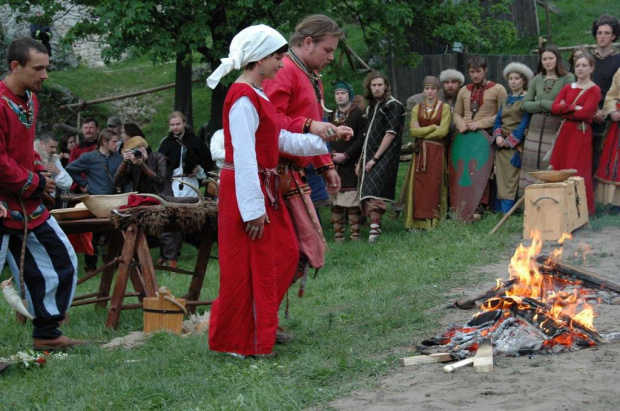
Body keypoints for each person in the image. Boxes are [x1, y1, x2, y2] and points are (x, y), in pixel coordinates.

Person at [205, 24, 332, 358]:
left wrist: (324, 138)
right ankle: (239, 340)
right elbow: (244, 155)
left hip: (264, 187)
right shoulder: (241, 97)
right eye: (276, 56)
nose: (281, 62)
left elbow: (277, 139)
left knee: (286, 254)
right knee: (244, 267)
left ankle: (259, 328)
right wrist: (252, 209)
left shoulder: (257, 94)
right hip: (247, 191)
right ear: (258, 59)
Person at [0, 37, 84, 350]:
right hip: (4, 202)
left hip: (26, 202)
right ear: (15, 66)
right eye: (38, 68)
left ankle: (47, 333)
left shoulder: (30, 100)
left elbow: (21, 150)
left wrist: (39, 169)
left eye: (46, 68)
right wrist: (34, 182)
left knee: (61, 258)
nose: (45, 75)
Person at [263, 14, 353, 290]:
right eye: (327, 50)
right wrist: (312, 126)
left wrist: (325, 165)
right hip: (277, 176)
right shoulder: (286, 71)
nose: (329, 57)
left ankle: (267, 322)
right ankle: (263, 323)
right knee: (291, 251)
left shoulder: (309, 73)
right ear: (308, 43)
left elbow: (310, 120)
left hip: (294, 174)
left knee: (300, 250)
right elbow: (271, 122)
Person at [452, 56, 507, 217]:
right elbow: (456, 112)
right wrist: (461, 123)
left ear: (485, 70)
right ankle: (462, 204)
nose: (475, 75)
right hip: (465, 137)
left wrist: (481, 123)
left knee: (482, 171)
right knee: (463, 169)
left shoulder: (498, 89)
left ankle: (481, 205)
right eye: (472, 72)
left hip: (486, 136)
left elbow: (503, 114)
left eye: (478, 71)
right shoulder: (464, 90)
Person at [66, 129, 129, 270]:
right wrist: (84, 184)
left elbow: (125, 179)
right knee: (93, 235)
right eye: (114, 141)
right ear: (104, 142)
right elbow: (70, 168)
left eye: (117, 141)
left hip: (114, 200)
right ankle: (91, 266)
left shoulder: (118, 158)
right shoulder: (89, 157)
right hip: (96, 201)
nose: (116, 144)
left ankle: (114, 262)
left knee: (116, 232)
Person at [549, 51, 601, 215]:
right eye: (577, 65)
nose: (580, 68)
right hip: (565, 131)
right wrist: (572, 108)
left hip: (580, 132)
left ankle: (580, 210)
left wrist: (565, 108)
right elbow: (554, 107)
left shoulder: (594, 90)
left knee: (578, 168)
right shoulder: (567, 87)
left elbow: (585, 114)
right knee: (559, 165)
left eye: (584, 65)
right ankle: (559, 208)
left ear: (591, 68)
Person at [357, 70, 405, 242]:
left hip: (385, 156)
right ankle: (371, 228)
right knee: (366, 191)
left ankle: (374, 232)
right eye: (374, 85)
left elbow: (390, 134)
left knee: (374, 191)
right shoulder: (371, 107)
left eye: (380, 85)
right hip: (369, 155)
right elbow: (368, 136)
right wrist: (362, 160)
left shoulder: (393, 105)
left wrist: (375, 159)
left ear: (386, 86)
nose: (377, 88)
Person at [521, 46, 575, 191]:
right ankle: (528, 198)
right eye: (544, 59)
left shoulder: (567, 78)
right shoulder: (536, 79)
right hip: (535, 124)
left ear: (557, 59)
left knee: (549, 159)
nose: (547, 62)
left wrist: (538, 103)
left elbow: (566, 106)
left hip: (555, 124)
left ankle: (551, 196)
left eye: (551, 58)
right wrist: (549, 105)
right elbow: (525, 104)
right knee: (532, 161)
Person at [402, 76, 451, 230]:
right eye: (427, 88)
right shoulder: (417, 108)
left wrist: (422, 132)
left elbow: (443, 131)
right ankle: (417, 221)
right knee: (419, 184)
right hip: (420, 152)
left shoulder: (444, 108)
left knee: (434, 182)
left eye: (433, 89)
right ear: (423, 90)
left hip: (436, 150)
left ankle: (434, 221)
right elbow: (413, 131)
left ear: (438, 90)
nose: (430, 92)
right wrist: (431, 128)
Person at [492, 63, 533, 213]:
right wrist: (498, 138)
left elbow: (524, 122)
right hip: (500, 144)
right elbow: (498, 120)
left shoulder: (527, 100)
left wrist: (510, 141)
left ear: (523, 81)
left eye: (517, 78)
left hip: (515, 145)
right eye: (511, 78)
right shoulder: (505, 99)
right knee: (501, 178)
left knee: (511, 178)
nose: (513, 81)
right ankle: (501, 210)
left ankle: (508, 212)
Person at [328, 81, 366, 241]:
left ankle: (355, 236)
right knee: (335, 202)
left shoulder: (358, 114)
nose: (339, 95)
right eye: (337, 93)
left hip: (352, 163)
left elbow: (360, 139)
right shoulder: (332, 115)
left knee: (352, 203)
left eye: (343, 92)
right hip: (334, 164)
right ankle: (339, 237)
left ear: (349, 95)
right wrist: (330, 154)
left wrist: (346, 155)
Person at [589, 15, 620, 176]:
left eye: (607, 33)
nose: (602, 36)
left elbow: (616, 90)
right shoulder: (588, 59)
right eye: (599, 33)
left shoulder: (618, 60)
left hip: (609, 117)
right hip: (586, 115)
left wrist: (604, 110)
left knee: (602, 162)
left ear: (613, 36)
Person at [158, 111, 213, 198]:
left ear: (184, 123)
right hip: (172, 183)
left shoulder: (195, 141)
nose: (175, 127)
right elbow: (160, 163)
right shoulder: (166, 144)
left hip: (191, 181)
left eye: (178, 124)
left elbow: (207, 159)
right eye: (172, 125)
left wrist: (198, 168)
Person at [595, 67, 620, 211]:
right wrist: (612, 111)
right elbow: (611, 96)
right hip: (618, 126)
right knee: (615, 164)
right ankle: (615, 202)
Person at [34, 133, 73, 201]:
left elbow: (68, 183)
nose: (54, 150)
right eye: (51, 147)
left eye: (55, 147)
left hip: (49, 200)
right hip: (33, 198)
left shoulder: (54, 159)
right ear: (42, 143)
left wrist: (57, 171)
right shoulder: (31, 156)